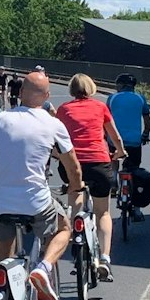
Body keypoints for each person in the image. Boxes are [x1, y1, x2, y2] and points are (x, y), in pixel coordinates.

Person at [0, 71, 83, 300]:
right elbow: (74, 168)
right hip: (36, 203)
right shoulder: (53, 124)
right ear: (47, 96)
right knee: (64, 229)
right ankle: (43, 268)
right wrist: (76, 187)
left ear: (19, 94)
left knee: (2, 254)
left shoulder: (0, 120)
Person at [55, 74, 126, 281]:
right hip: (99, 163)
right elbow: (115, 137)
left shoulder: (64, 109)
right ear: (92, 88)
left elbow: (56, 137)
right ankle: (104, 258)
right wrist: (119, 152)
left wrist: (56, 155)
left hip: (72, 164)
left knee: (75, 197)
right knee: (103, 212)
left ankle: (77, 233)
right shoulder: (100, 107)